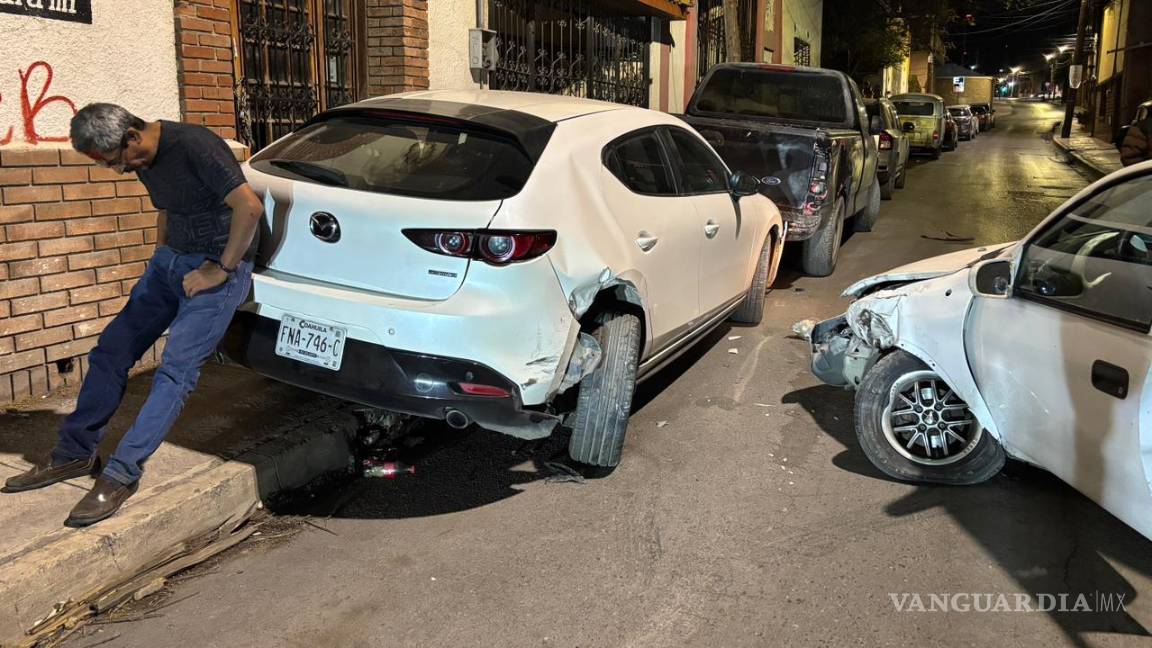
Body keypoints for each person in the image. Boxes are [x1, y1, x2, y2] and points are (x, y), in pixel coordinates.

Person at [2, 104, 264, 527]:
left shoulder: (195, 145)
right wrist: (160, 254)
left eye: (118, 161)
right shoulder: (141, 157)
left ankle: (121, 475)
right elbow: (167, 205)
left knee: (175, 371)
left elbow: (249, 206)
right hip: (171, 264)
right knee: (110, 352)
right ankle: (73, 455)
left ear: (131, 136)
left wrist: (222, 268)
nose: (119, 170)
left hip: (215, 268)